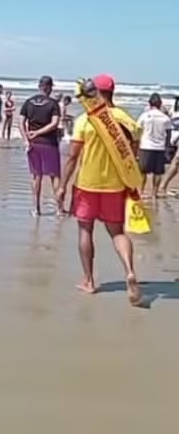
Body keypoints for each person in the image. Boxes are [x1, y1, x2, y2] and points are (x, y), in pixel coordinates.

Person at [56, 74, 141, 305]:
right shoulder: (125, 119)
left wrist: (62, 186)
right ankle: (130, 271)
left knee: (85, 231)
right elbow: (133, 153)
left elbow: (73, 157)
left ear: (96, 93)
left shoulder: (86, 120)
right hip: (115, 185)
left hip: (87, 184)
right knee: (117, 232)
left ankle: (89, 281)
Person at [19, 75, 62, 216]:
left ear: (39, 86)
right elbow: (54, 123)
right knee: (54, 176)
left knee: (35, 176)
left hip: (33, 144)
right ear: (49, 87)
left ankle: (36, 209)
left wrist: (26, 138)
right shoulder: (53, 104)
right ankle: (59, 209)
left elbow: (20, 123)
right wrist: (38, 133)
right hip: (49, 143)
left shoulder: (28, 102)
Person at [137, 93, 172, 197]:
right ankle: (154, 193)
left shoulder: (144, 115)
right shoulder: (165, 118)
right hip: (159, 147)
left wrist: (137, 144)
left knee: (143, 172)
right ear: (160, 104)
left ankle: (141, 191)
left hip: (145, 146)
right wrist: (166, 147)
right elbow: (168, 135)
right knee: (158, 173)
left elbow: (138, 129)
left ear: (149, 103)